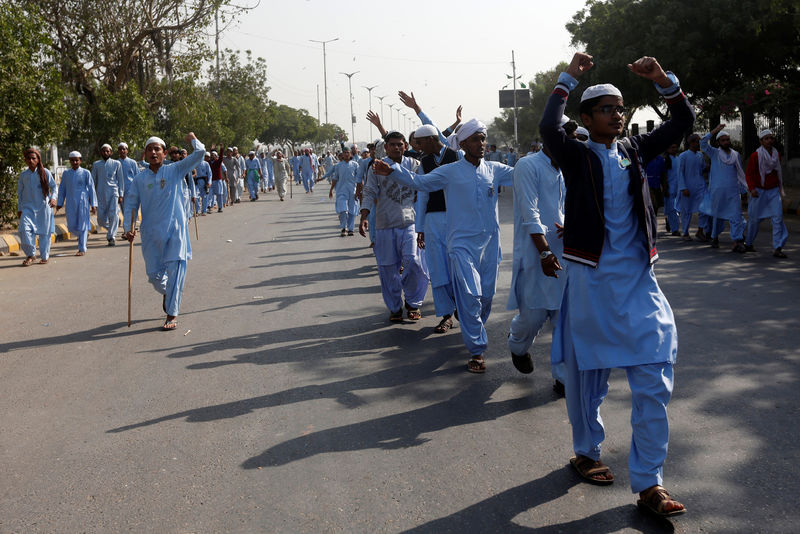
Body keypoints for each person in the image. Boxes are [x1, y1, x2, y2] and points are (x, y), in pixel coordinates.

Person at [540, 52, 692, 518]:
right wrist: (567, 79)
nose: (617, 113)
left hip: (639, 280)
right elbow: (549, 127)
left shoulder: (633, 151)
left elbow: (681, 121)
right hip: (590, 279)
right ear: (585, 118)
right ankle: (586, 450)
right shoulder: (574, 153)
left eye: (620, 107)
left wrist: (663, 79)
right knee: (590, 382)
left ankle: (649, 483)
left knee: (654, 377)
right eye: (607, 108)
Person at [372, 118, 515, 373]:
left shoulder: (494, 169)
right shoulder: (450, 171)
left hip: (490, 245)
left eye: (483, 138)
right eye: (475, 139)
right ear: (462, 143)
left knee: (486, 297)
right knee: (470, 296)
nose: (481, 144)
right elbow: (421, 184)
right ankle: (477, 349)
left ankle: (473, 325)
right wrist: (392, 170)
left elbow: (523, 175)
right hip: (461, 244)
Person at [123, 133, 205, 331]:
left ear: (165, 153)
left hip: (175, 231)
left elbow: (200, 152)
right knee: (154, 275)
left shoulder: (175, 170)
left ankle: (171, 314)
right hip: (150, 234)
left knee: (176, 272)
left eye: (157, 149)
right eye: (150, 149)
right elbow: (131, 205)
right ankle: (170, 293)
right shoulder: (140, 179)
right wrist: (128, 229)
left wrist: (193, 138)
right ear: (144, 154)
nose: (153, 152)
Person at [506, 142, 567, 394]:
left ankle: (563, 378)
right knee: (533, 317)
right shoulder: (527, 165)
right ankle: (517, 345)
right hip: (536, 254)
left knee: (565, 320)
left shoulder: (570, 168)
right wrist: (544, 251)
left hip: (568, 254)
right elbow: (529, 212)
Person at [360, 128, 428, 324]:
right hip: (385, 224)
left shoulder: (415, 165)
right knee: (388, 269)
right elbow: (370, 190)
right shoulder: (377, 166)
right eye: (393, 145)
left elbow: (423, 186)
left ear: (405, 146)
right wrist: (364, 215)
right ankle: (395, 307)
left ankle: (413, 303)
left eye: (400, 144)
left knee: (414, 261)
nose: (397, 147)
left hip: (411, 222)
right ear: (386, 147)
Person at [413, 123, 461, 334]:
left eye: (421, 142)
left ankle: (463, 306)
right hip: (433, 220)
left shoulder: (457, 156)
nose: (419, 147)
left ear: (432, 139)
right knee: (438, 267)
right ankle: (446, 316)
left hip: (457, 219)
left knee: (459, 266)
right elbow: (422, 194)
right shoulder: (424, 162)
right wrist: (420, 227)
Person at [700, 125, 747, 251]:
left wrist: (744, 191)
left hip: (733, 191)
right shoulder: (714, 153)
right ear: (718, 142)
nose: (726, 142)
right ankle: (714, 237)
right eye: (723, 140)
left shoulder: (735, 155)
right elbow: (702, 143)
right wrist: (715, 131)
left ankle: (737, 241)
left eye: (727, 140)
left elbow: (740, 173)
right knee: (717, 216)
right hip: (718, 191)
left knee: (736, 215)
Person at [745, 129, 788, 258]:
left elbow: (777, 173)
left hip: (773, 191)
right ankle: (749, 243)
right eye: (766, 138)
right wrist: (752, 189)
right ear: (761, 141)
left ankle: (777, 247)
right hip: (758, 191)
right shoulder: (755, 156)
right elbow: (749, 174)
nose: (769, 140)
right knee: (754, 220)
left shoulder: (776, 155)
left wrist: (779, 189)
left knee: (777, 218)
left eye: (771, 138)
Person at [17, 147, 57, 266]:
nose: (31, 160)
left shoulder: (45, 172)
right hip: (27, 208)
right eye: (28, 158)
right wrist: (19, 208)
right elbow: (20, 193)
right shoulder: (23, 175)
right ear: (25, 160)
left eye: (33, 158)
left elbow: (54, 187)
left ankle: (44, 256)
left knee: (44, 233)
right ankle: (31, 254)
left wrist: (53, 198)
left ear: (38, 160)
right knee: (24, 230)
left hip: (43, 207)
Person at [56, 151, 98, 256]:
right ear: (70, 161)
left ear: (80, 160)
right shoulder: (66, 174)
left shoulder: (86, 172)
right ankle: (82, 235)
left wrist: (93, 204)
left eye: (77, 160)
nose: (75, 162)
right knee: (72, 225)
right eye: (73, 160)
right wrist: (60, 202)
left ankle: (82, 248)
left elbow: (91, 189)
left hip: (83, 202)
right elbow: (62, 189)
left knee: (83, 224)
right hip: (70, 202)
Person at [677, 134, 711, 241]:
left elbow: (701, 169)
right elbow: (680, 173)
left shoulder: (700, 156)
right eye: (698, 142)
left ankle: (700, 231)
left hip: (700, 186)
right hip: (687, 187)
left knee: (704, 208)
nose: (699, 144)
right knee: (686, 211)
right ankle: (685, 232)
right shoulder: (683, 156)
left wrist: (707, 167)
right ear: (691, 143)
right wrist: (683, 187)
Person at [91, 143, 125, 245]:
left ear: (111, 152)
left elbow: (120, 180)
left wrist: (121, 194)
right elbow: (93, 181)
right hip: (100, 194)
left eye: (108, 151)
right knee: (100, 219)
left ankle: (111, 237)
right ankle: (112, 226)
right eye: (103, 151)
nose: (106, 153)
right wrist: (92, 197)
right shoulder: (96, 164)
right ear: (101, 152)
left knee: (113, 214)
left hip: (113, 193)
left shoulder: (116, 164)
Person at [325, 148, 360, 236]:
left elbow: (359, 179)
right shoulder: (338, 166)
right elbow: (335, 178)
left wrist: (359, 191)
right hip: (341, 191)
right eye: (344, 153)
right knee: (343, 210)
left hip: (352, 191)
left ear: (351, 154)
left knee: (352, 211)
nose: (346, 154)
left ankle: (351, 229)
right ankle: (344, 227)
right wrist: (331, 190)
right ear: (342, 155)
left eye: (348, 153)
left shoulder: (355, 165)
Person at [664, 143, 681, 235]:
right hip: (670, 188)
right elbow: (664, 176)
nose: (674, 149)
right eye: (672, 147)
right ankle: (675, 229)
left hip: (679, 188)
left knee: (677, 209)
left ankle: (670, 223)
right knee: (672, 209)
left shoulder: (678, 159)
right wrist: (665, 188)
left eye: (675, 147)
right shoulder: (666, 160)